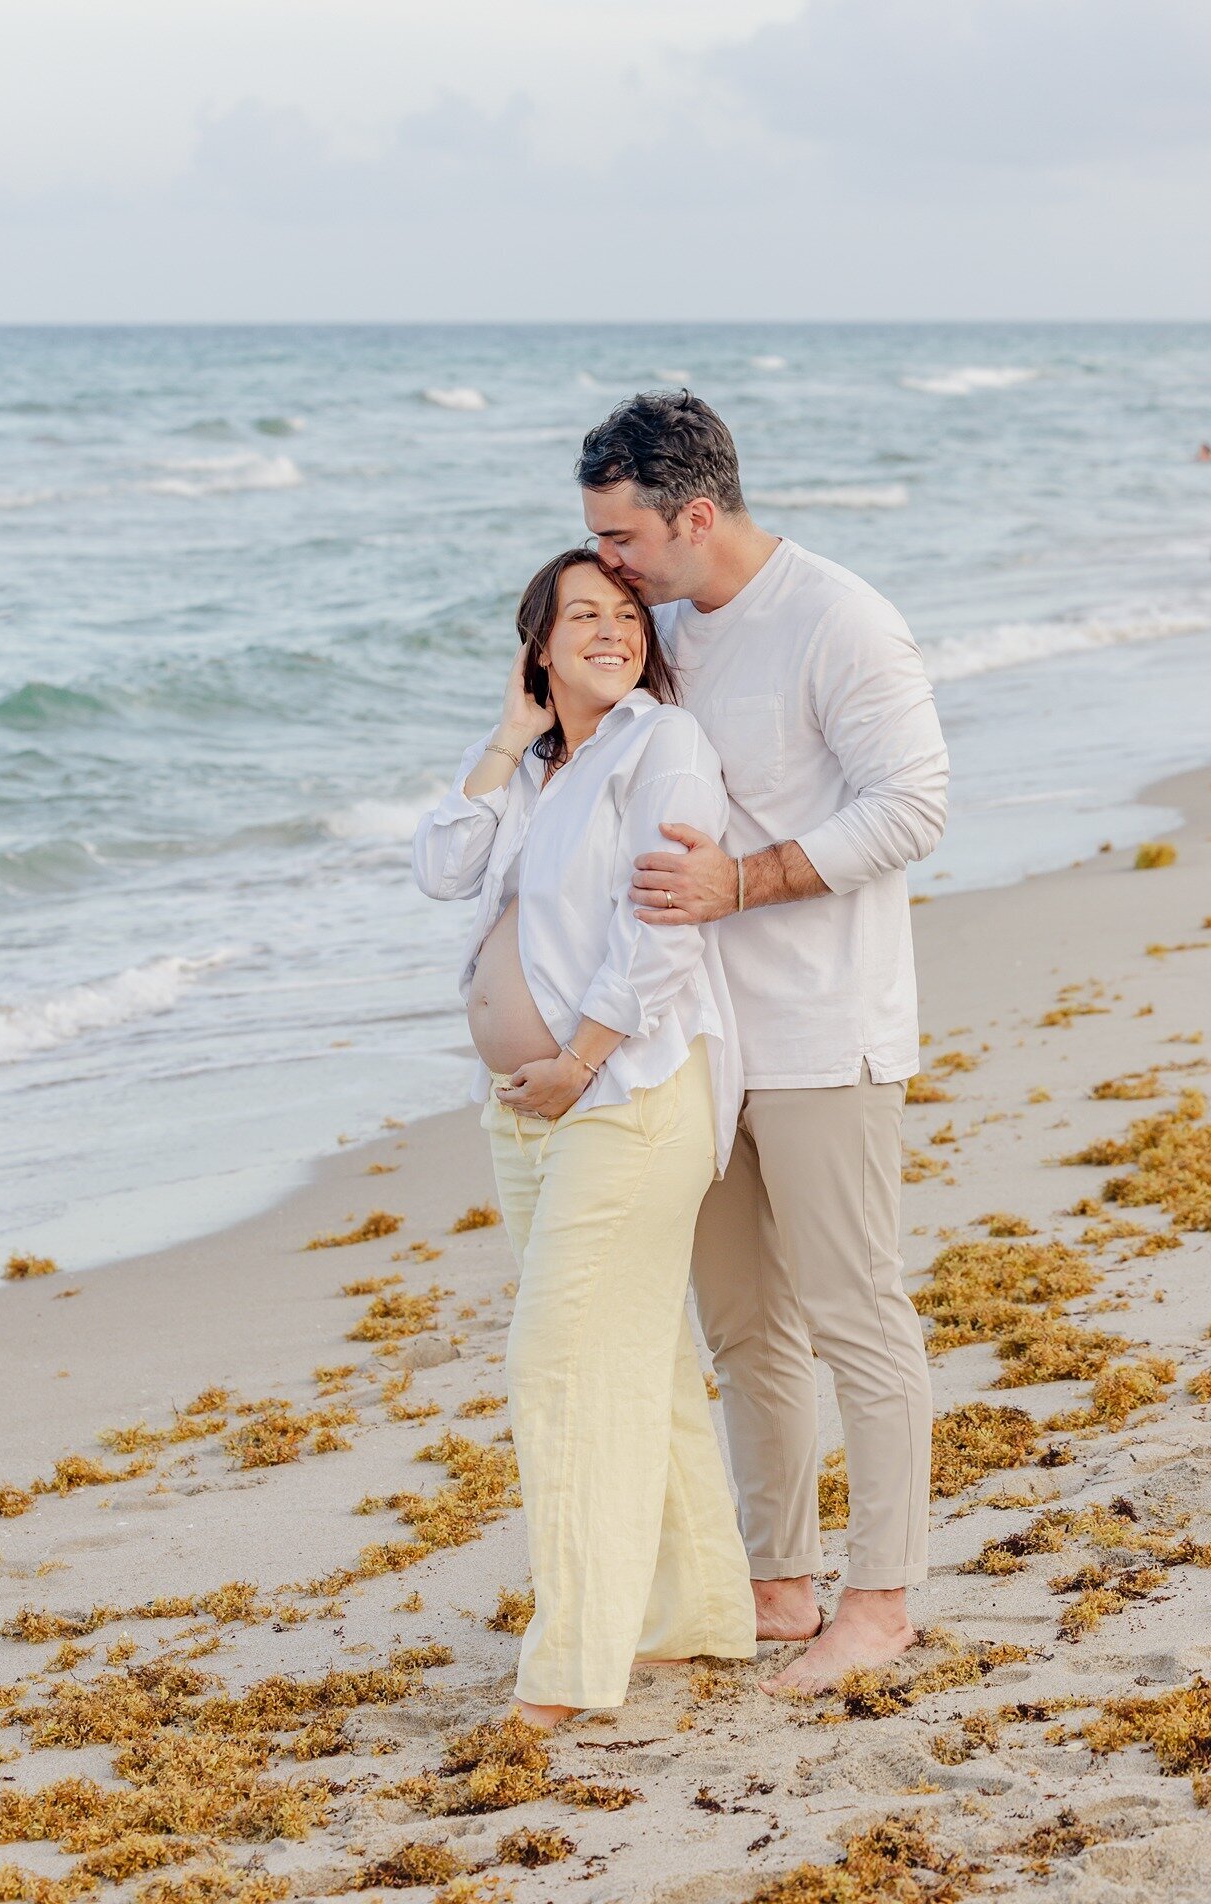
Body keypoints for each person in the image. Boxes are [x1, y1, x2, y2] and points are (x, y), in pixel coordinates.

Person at [576, 391, 950, 1694]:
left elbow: (916, 805)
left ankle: (884, 1598)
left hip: (825, 1027)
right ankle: (778, 1581)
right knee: (741, 1324)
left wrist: (745, 882)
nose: (605, 565)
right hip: (703, 1040)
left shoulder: (838, 618)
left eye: (623, 538)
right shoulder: (660, 628)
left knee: (856, 1313)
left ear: (695, 514)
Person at [412, 547, 756, 1728]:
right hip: (530, 1107)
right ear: (537, 643)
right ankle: (698, 1615)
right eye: (581, 616)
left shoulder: (662, 743)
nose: (611, 630)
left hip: (630, 1089)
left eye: (625, 613)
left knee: (554, 1365)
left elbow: (661, 928)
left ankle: (570, 1670)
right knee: (639, 1359)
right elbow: (441, 870)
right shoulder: (540, 765)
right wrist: (508, 739)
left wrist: (580, 1059)